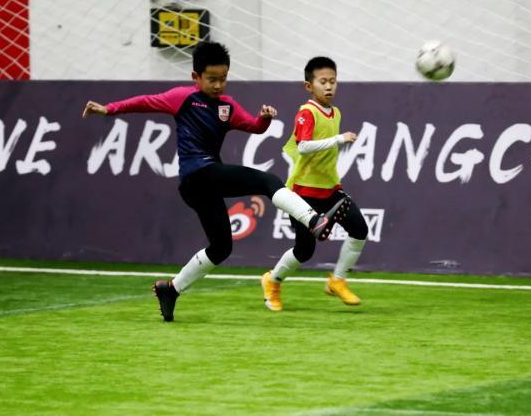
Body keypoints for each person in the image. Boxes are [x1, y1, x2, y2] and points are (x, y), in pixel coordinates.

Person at [82, 42, 350, 322]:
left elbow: (253, 126)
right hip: (196, 176)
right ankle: (312, 219)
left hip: (206, 184)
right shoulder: (182, 97)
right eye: (212, 79)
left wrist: (264, 119)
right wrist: (108, 109)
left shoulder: (226, 105)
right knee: (268, 180)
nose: (219, 84)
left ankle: (171, 290)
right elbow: (144, 102)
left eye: (223, 78)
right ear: (195, 77)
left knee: (221, 248)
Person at [261, 56, 368, 311]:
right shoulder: (307, 112)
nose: (329, 86)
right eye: (323, 82)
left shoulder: (336, 112)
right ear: (309, 86)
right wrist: (339, 139)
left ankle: (337, 280)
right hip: (303, 194)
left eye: (333, 81)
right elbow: (304, 146)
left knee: (359, 229)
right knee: (304, 251)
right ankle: (272, 281)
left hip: (331, 190)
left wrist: (336, 141)